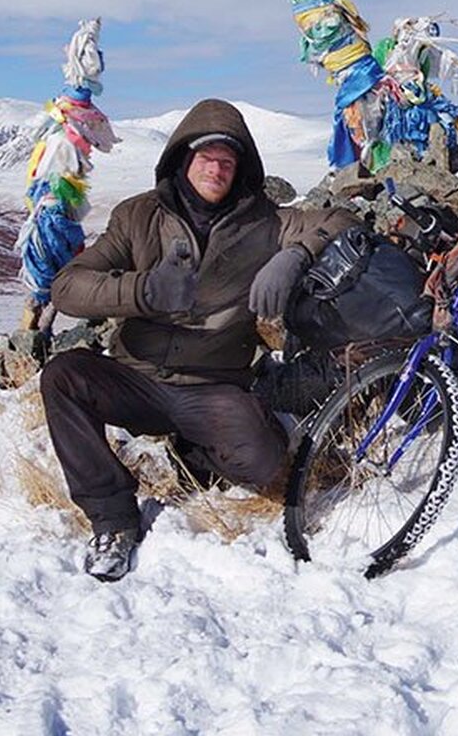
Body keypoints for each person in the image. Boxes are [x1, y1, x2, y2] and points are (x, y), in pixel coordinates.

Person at [43, 99, 356, 581]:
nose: (218, 168)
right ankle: (113, 517)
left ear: (242, 169)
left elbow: (342, 222)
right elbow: (67, 287)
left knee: (263, 460)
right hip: (135, 377)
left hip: (210, 387)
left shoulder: (267, 223)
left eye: (228, 161)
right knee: (63, 376)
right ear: (182, 159)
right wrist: (143, 291)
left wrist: (293, 255)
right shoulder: (137, 217)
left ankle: (195, 450)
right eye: (207, 157)